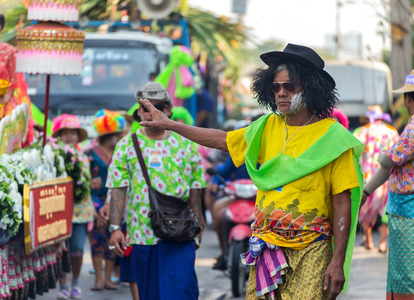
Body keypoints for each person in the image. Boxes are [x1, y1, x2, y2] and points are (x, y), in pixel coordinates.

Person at [139, 43, 364, 299]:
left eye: (289, 86)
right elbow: (223, 140)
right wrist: (171, 125)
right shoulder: (266, 126)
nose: (281, 93)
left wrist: (337, 261)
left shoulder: (334, 139)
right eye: (276, 86)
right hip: (264, 246)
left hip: (311, 250)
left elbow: (342, 202)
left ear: (310, 87)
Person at [106, 82, 207, 300]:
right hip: (142, 235)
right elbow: (118, 189)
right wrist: (115, 227)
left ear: (169, 110)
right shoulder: (126, 145)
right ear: (138, 111)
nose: (152, 112)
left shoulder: (186, 144)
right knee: (150, 294)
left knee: (183, 292)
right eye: (146, 106)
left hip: (181, 232)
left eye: (159, 106)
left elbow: (195, 188)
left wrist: (199, 222)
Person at [362, 70, 414, 299]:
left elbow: (387, 160)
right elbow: (393, 166)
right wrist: (367, 191)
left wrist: (381, 157)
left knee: (410, 280)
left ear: (408, 98)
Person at [52, 114, 95, 300]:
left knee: (77, 248)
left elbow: (87, 183)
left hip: (80, 209)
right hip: (59, 210)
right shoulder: (53, 156)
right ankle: (62, 285)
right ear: (60, 136)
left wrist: (92, 185)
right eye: (66, 133)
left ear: (78, 136)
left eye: (73, 133)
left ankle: (75, 282)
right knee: (61, 249)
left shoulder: (84, 157)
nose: (69, 136)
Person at [85, 109, 126, 291]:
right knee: (97, 239)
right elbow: (80, 179)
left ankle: (109, 278)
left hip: (117, 202)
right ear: (108, 135)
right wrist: (89, 183)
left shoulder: (122, 153)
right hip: (94, 201)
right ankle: (99, 279)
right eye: (115, 134)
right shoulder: (90, 154)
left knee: (113, 239)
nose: (118, 137)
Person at [353, 105, 399, 253]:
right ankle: (382, 243)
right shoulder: (392, 132)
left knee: (366, 209)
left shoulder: (361, 131)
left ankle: (368, 239)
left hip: (367, 179)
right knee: (385, 210)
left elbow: (353, 153)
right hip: (386, 178)